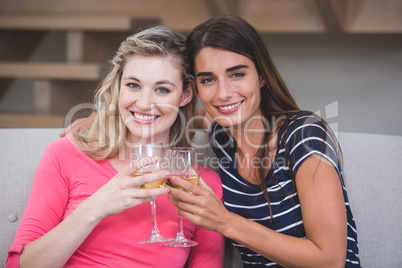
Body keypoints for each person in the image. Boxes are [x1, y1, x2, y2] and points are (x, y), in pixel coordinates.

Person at [6, 25, 224, 268]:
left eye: (162, 89)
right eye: (133, 85)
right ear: (118, 86)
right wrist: (96, 206)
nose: (143, 103)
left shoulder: (203, 184)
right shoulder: (66, 154)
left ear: (185, 95)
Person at [166, 15, 361, 267]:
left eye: (236, 74)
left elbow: (330, 259)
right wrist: (110, 117)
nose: (223, 93)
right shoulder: (223, 135)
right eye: (208, 79)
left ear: (261, 75)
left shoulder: (304, 136)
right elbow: (181, 113)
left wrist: (224, 221)